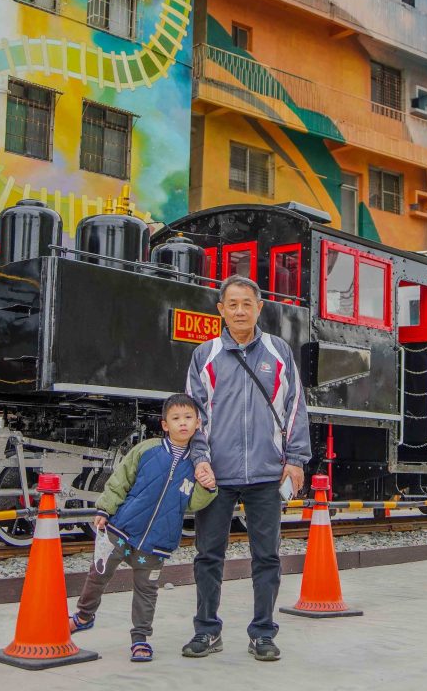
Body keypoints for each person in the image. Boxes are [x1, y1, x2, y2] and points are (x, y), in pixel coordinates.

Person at [183, 274, 311, 662]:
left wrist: (295, 459)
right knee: (207, 555)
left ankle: (263, 632)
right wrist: (200, 460)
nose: (239, 310)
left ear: (259, 307)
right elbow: (193, 415)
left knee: (267, 557)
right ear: (221, 310)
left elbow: (294, 408)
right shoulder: (203, 356)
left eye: (247, 303)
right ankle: (206, 631)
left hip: (266, 473)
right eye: (232, 304)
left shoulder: (278, 352)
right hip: (216, 475)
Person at [69, 393, 216, 662]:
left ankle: (140, 638)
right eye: (175, 418)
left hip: (157, 542)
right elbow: (120, 480)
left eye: (188, 418)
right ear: (164, 424)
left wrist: (208, 487)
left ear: (198, 424)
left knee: (146, 592)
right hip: (121, 529)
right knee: (98, 572)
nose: (182, 423)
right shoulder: (147, 449)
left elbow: (192, 505)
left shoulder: (197, 466)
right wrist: (105, 509)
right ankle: (83, 615)